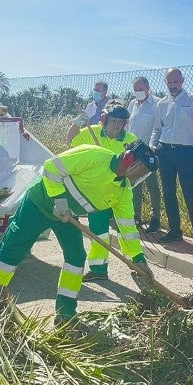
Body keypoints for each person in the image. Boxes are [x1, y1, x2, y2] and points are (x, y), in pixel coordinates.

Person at [0, 141, 160, 324]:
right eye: (141, 170)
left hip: (67, 218)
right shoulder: (94, 156)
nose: (139, 177)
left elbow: (127, 228)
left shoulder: (123, 192)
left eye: (143, 174)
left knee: (76, 257)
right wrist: (59, 200)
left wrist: (138, 260)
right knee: (12, 249)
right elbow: (51, 167)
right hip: (39, 204)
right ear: (129, 158)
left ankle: (65, 313)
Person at [65, 102, 138, 283]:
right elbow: (70, 141)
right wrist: (77, 123)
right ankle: (99, 269)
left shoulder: (131, 140)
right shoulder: (93, 132)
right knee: (99, 231)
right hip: (98, 194)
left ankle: (137, 263)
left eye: (121, 122)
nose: (116, 126)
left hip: (121, 192)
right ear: (105, 119)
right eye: (113, 121)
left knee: (128, 229)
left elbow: (137, 169)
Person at [148, 67, 193, 251]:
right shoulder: (162, 104)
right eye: (169, 82)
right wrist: (154, 147)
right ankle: (175, 230)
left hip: (185, 153)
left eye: (176, 81)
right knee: (168, 193)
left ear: (182, 81)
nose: (173, 85)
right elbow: (157, 129)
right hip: (164, 151)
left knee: (190, 194)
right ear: (165, 83)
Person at [126, 76, 162, 233]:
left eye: (141, 89)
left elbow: (158, 128)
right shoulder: (132, 104)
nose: (138, 92)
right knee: (134, 186)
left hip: (148, 151)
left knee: (152, 186)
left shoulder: (157, 104)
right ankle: (136, 217)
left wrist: (153, 147)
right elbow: (128, 127)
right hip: (132, 150)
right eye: (135, 90)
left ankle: (156, 219)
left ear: (148, 88)